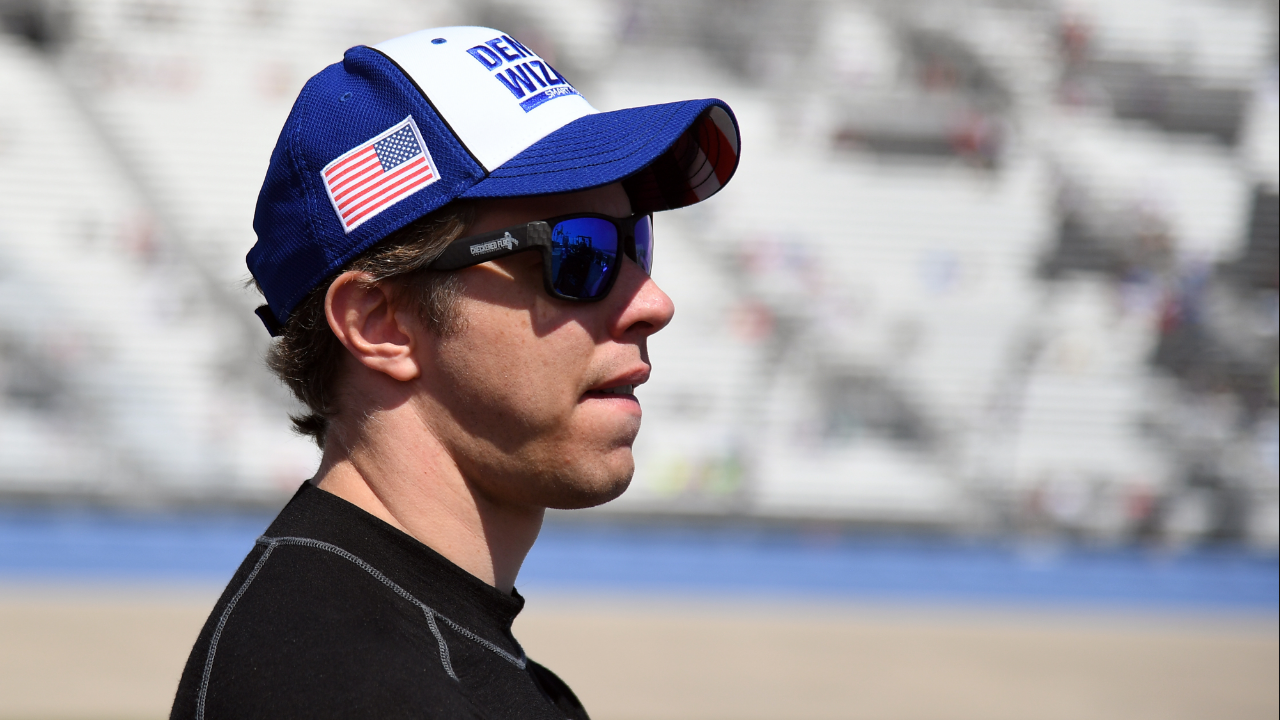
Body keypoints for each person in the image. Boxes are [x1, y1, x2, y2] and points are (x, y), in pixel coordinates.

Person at [169, 25, 739, 720]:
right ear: (382, 323)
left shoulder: (423, 653)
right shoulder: (340, 686)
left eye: (635, 243)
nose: (653, 303)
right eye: (577, 251)